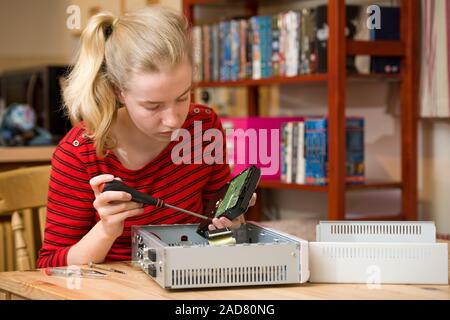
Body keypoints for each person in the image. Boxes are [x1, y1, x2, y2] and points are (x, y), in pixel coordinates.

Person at [37, 6, 255, 268]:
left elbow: (219, 238)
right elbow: (50, 267)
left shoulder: (203, 126)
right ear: (119, 92)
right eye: (153, 106)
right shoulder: (79, 153)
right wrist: (106, 230)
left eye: (183, 97)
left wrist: (232, 224)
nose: (174, 120)